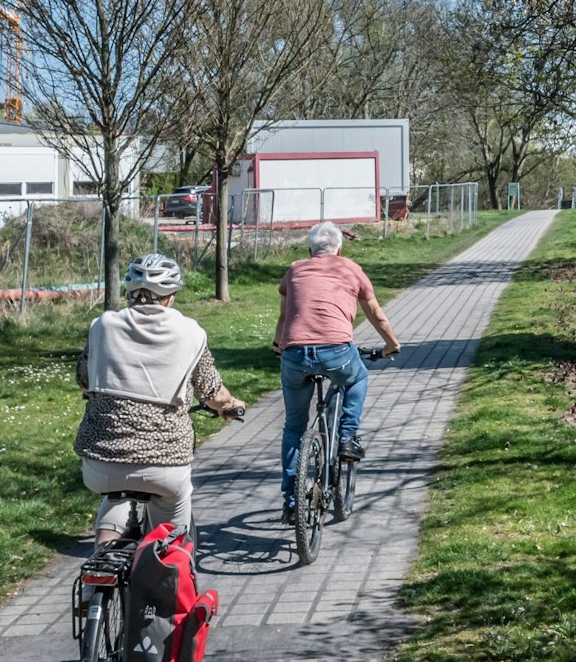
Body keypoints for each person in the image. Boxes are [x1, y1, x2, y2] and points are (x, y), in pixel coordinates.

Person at [73, 253, 246, 548]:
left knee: (114, 492)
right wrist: (230, 406)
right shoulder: (190, 332)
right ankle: (165, 564)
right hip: (164, 463)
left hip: (100, 461)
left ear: (130, 292)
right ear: (169, 297)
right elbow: (212, 393)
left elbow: (84, 379)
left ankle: (100, 565)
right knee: (170, 533)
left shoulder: (102, 326)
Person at [275, 222, 402, 522]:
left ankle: (292, 503)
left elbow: (284, 315)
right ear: (339, 249)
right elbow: (375, 312)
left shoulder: (294, 270)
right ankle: (347, 436)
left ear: (310, 250)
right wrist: (391, 344)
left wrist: (278, 346)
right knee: (358, 376)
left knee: (294, 427)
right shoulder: (351, 269)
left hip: (294, 354)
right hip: (336, 352)